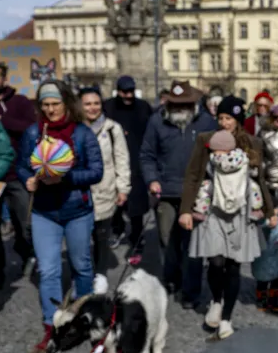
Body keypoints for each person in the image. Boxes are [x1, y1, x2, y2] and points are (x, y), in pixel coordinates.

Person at [17, 81, 103, 353]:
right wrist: (28, 179)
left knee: (81, 266)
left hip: (77, 210)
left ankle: (88, 320)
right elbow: (22, 165)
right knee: (48, 270)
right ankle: (50, 327)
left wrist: (65, 178)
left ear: (66, 103)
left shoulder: (82, 133)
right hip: (44, 212)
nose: (50, 109)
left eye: (55, 104)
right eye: (45, 105)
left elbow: (96, 172)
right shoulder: (33, 133)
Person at [179, 97, 276, 340]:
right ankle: (216, 299)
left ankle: (226, 319)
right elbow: (193, 175)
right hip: (212, 209)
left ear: (238, 120)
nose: (224, 123)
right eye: (221, 118)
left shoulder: (252, 143)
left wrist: (270, 211)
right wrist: (185, 210)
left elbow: (259, 179)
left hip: (241, 212)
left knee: (233, 265)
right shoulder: (206, 140)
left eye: (229, 118)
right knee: (215, 262)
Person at [140, 80, 216, 308]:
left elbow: (217, 153)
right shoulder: (156, 121)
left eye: (185, 104)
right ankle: (172, 278)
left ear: (193, 104)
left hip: (197, 193)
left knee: (193, 244)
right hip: (166, 192)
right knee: (168, 241)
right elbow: (147, 155)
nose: (180, 108)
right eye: (175, 104)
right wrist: (152, 179)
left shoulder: (206, 122)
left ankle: (191, 291)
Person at [0, 59, 39, 283]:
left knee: (25, 224)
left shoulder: (19, 102)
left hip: (15, 175)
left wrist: (1, 120)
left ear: (4, 79)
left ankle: (28, 255)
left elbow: (31, 128)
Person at [80, 87, 131, 294]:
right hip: (79, 190)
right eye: (87, 104)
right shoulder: (73, 128)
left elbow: (121, 159)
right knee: (80, 236)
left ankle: (100, 273)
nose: (93, 108)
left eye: (96, 103)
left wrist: (123, 188)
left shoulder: (112, 129)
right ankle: (82, 275)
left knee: (102, 235)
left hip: (104, 189)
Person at [103, 76, 153, 252]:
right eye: (125, 92)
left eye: (131, 91)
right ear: (118, 91)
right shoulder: (108, 107)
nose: (128, 95)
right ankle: (117, 229)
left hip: (137, 160)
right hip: (113, 160)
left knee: (136, 204)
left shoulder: (143, 107)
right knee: (114, 201)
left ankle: (137, 236)